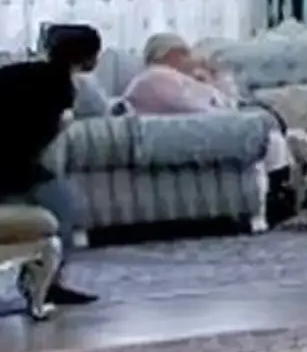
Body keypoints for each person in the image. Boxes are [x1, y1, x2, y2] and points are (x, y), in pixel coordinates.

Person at [0, 24, 103, 309]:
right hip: (8, 170)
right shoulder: (60, 87)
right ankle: (48, 284)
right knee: (66, 208)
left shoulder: (9, 73)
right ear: (87, 57)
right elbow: (35, 139)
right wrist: (61, 125)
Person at [123, 34, 297, 218]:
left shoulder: (171, 78)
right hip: (187, 134)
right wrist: (223, 99)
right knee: (269, 138)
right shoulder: (158, 77)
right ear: (172, 54)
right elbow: (199, 109)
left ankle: (279, 193)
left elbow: (222, 101)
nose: (191, 59)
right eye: (186, 54)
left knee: (271, 134)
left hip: (192, 129)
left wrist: (212, 79)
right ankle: (276, 198)